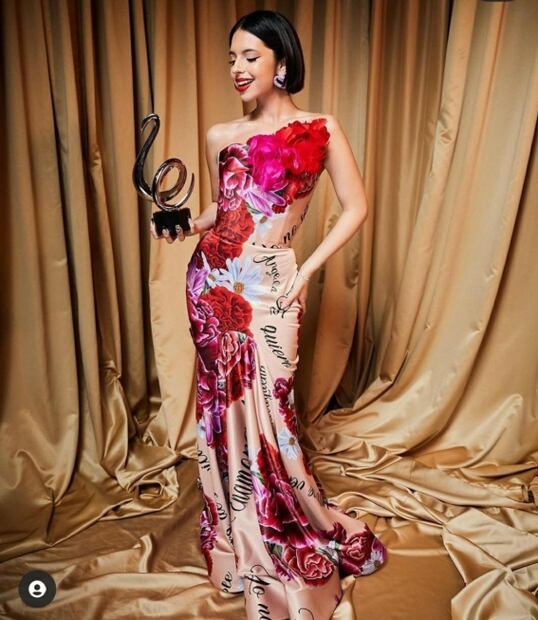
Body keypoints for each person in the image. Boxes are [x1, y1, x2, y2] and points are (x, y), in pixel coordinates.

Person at [151, 9, 387, 620]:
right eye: (231, 57)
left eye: (250, 56)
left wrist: (306, 273)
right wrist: (184, 224)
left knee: (273, 410)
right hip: (212, 282)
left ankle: (283, 524)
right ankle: (236, 535)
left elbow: (357, 207)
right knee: (221, 413)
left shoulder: (321, 128)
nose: (237, 67)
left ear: (281, 61)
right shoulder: (219, 134)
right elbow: (224, 209)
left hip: (274, 284)